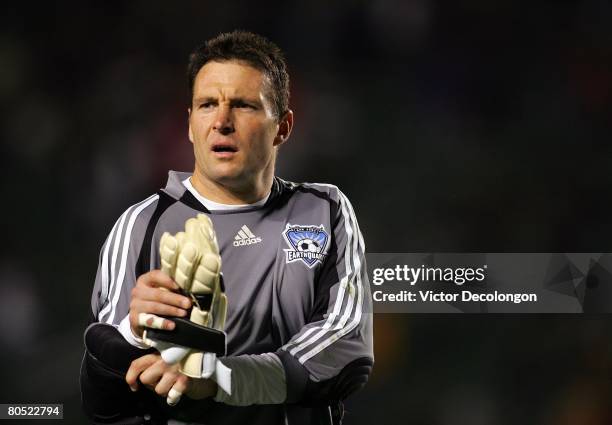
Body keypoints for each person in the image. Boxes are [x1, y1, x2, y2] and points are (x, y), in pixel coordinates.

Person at [80, 30, 373, 425]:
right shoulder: (141, 223)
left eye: (243, 105)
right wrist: (134, 332)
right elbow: (103, 391)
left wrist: (219, 379)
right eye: (206, 105)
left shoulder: (323, 210)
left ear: (283, 128)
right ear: (189, 124)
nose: (221, 121)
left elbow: (346, 350)